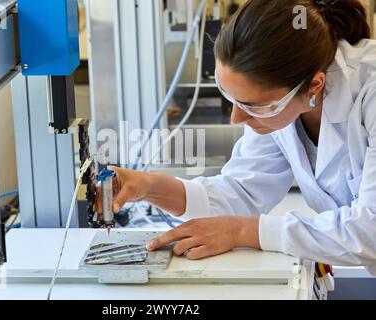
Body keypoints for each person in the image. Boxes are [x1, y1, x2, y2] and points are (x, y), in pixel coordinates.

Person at [97, 0, 376, 274]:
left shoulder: (369, 93)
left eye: (254, 105)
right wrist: (150, 186)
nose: (236, 118)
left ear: (314, 85)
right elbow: (241, 191)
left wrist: (245, 230)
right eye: (231, 97)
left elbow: (371, 230)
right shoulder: (282, 103)